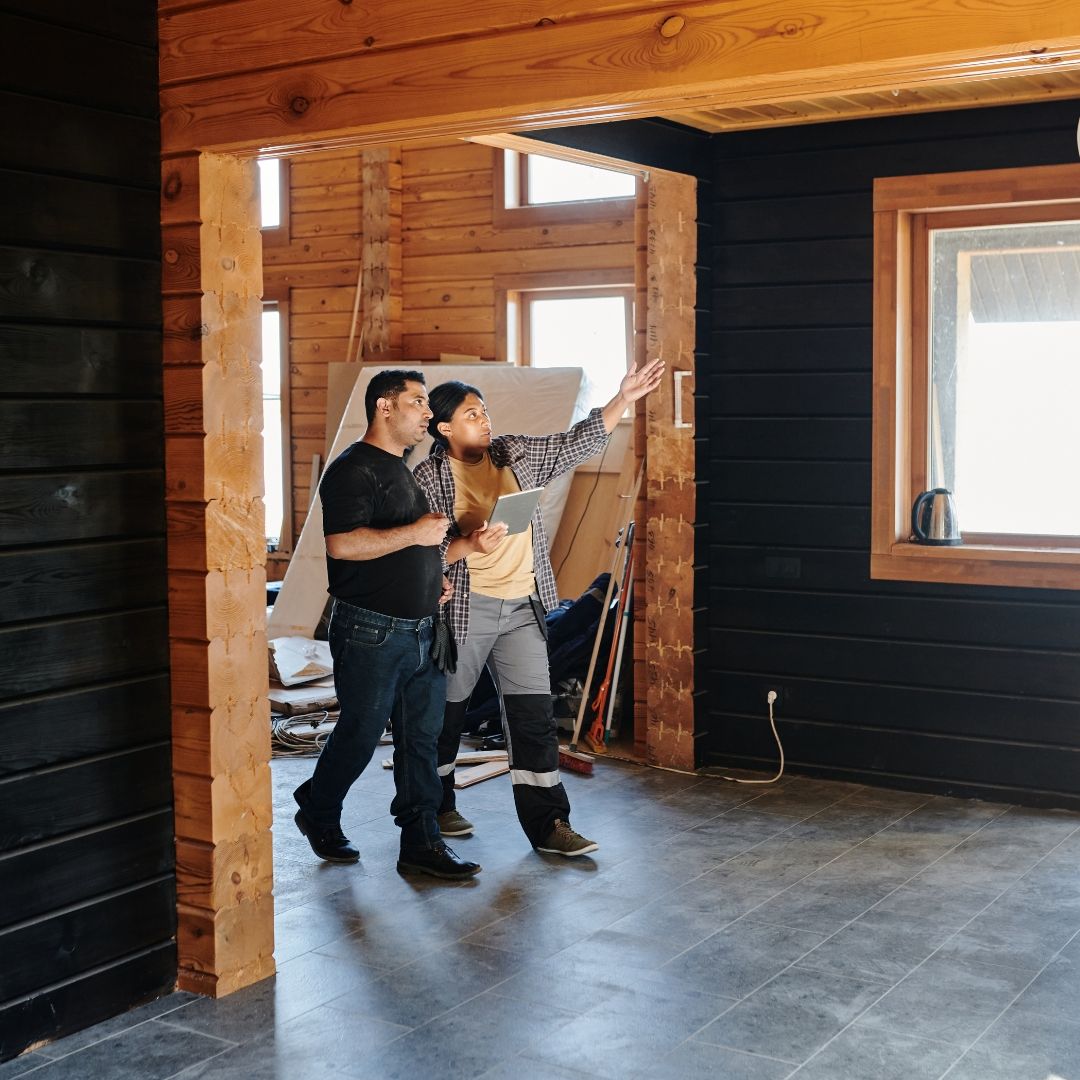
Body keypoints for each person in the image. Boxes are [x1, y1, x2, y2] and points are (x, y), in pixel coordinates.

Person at [413, 359, 665, 857]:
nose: (484, 420)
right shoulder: (428, 477)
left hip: (523, 607)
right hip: (466, 610)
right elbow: (420, 551)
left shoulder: (515, 453)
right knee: (447, 714)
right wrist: (469, 542)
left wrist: (624, 398)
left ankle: (550, 825)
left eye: (484, 411)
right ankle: (435, 805)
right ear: (443, 428)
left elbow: (578, 441)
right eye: (470, 414)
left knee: (532, 717)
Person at [292, 369, 481, 880]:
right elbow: (343, 545)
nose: (427, 412)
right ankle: (318, 808)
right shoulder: (353, 470)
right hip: (371, 631)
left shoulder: (402, 468)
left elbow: (409, 549)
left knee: (421, 739)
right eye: (418, 402)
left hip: (423, 628)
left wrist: (432, 580)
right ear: (384, 407)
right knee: (360, 733)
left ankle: (421, 842)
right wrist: (418, 534)